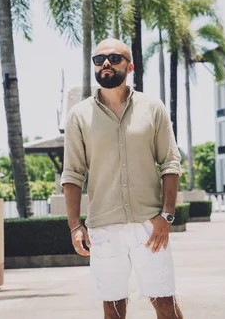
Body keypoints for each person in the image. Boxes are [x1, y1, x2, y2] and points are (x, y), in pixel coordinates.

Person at [61, 38, 183, 319]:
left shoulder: (153, 108)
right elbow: (72, 174)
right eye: (99, 59)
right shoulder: (79, 116)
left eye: (115, 58)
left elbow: (170, 163)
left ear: (130, 67)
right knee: (113, 309)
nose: (106, 63)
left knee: (166, 305)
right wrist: (75, 226)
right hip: (104, 228)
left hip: (150, 227)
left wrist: (166, 216)